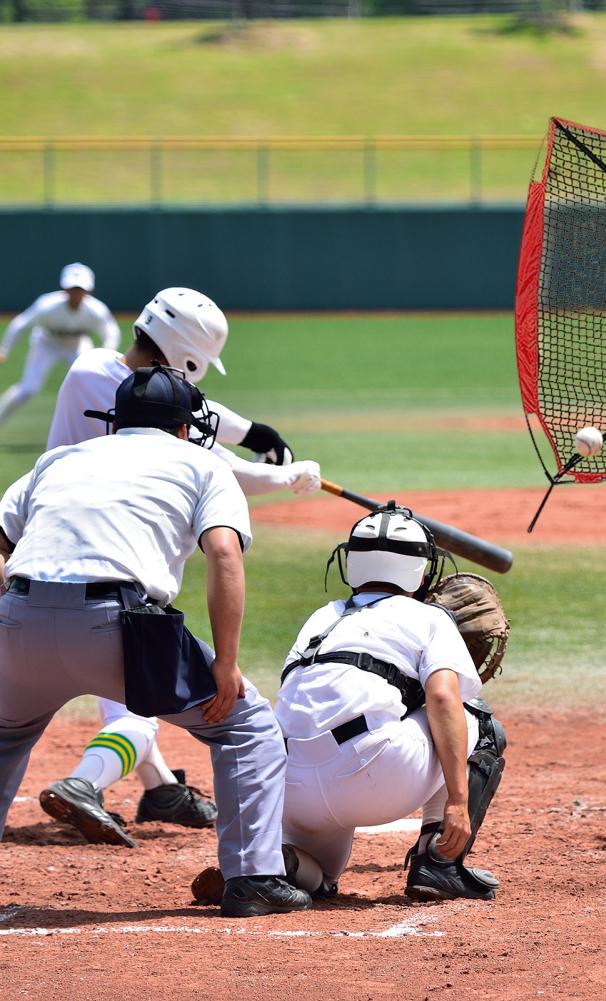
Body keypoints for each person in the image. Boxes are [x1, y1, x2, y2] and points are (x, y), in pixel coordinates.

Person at [0, 366, 312, 917]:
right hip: (119, 631)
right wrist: (228, 663)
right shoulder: (201, 465)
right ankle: (252, 881)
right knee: (248, 728)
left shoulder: (61, 459)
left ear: (115, 421)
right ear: (185, 429)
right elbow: (223, 555)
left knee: (4, 735)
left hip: (18, 616)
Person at [37, 287, 324, 847]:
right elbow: (210, 460)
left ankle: (161, 787)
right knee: (144, 698)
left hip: (63, 560)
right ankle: (84, 781)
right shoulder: (102, 379)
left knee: (118, 693)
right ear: (183, 357)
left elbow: (199, 417)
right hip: (111, 569)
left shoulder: (96, 372)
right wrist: (283, 475)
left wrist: (253, 433)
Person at [192, 502, 507, 906]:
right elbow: (444, 697)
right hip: (376, 776)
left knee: (319, 875)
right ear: (421, 570)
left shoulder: (321, 617)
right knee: (475, 718)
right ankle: (440, 863)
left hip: (290, 783)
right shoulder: (429, 617)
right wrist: (458, 803)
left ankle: (278, 864)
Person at [0, 263, 119, 430]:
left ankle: (102, 429)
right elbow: (20, 324)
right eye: (72, 288)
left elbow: (111, 333)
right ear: (64, 288)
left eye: (80, 289)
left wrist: (107, 355)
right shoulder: (47, 305)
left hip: (77, 344)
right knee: (28, 389)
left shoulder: (96, 310)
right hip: (46, 343)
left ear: (89, 290)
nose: (76, 293)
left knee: (91, 384)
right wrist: (4, 350)